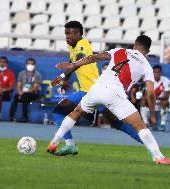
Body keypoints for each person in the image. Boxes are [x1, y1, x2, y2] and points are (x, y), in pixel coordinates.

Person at [48, 35, 170, 165]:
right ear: (148, 51)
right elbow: (151, 93)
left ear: (135, 45)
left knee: (76, 112)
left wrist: (73, 65)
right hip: (115, 93)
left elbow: (94, 57)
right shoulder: (146, 65)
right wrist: (152, 114)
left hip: (97, 88)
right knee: (140, 125)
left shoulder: (118, 51)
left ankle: (54, 142)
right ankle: (159, 157)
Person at [51, 21, 146, 156]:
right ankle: (149, 143)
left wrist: (62, 75)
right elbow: (73, 64)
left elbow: (79, 59)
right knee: (116, 123)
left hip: (91, 90)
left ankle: (70, 145)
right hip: (95, 90)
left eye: (69, 34)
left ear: (78, 34)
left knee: (59, 111)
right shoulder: (73, 47)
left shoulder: (82, 44)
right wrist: (66, 79)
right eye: (65, 34)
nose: (67, 37)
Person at [9, 58, 42, 122]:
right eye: (29, 64)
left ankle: (25, 117)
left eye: (32, 64)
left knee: (25, 96)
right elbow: (19, 85)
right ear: (26, 65)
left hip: (34, 93)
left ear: (35, 65)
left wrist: (24, 93)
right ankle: (11, 116)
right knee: (16, 97)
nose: (30, 65)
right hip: (23, 92)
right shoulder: (22, 73)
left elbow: (35, 87)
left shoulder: (37, 75)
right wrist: (19, 92)